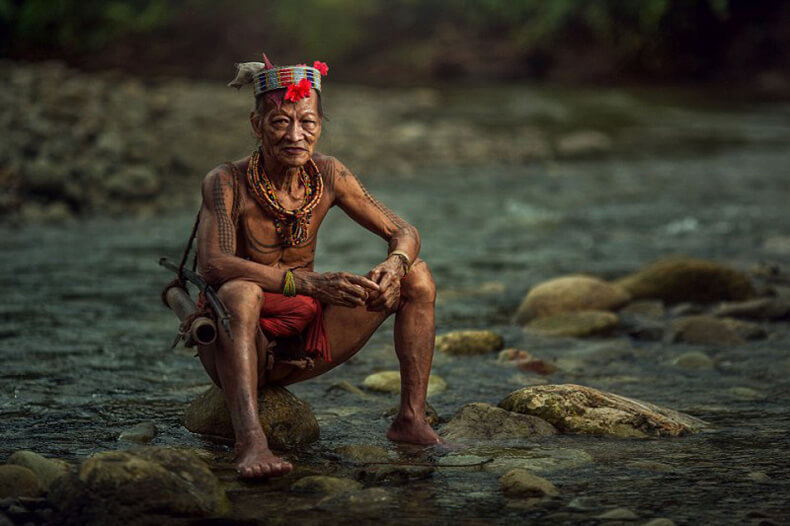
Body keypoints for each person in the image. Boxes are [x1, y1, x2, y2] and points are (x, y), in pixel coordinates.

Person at [194, 54, 441, 479]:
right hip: (238, 339)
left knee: (417, 273)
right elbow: (214, 265)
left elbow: (404, 230)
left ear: (320, 126)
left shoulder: (327, 173)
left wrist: (395, 265)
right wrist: (304, 282)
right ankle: (251, 440)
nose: (295, 135)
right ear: (257, 126)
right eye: (279, 123)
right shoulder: (226, 181)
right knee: (241, 290)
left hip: (306, 340)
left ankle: (410, 421)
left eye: (307, 123)